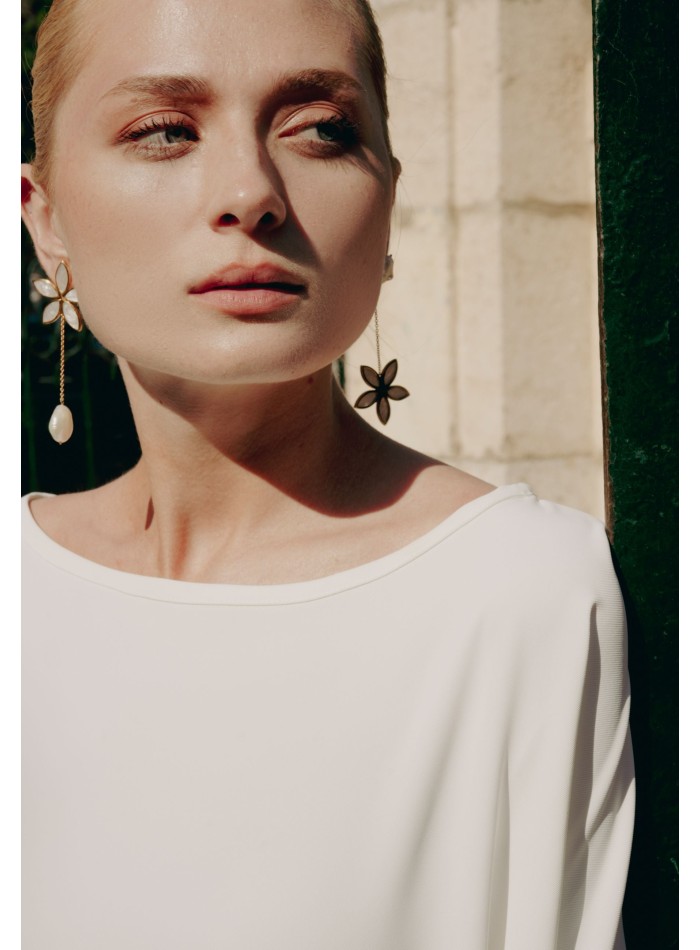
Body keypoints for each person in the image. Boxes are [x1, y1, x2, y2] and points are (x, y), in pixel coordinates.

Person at [21, 0, 634, 947]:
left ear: (388, 189)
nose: (249, 192)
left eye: (321, 131)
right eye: (163, 132)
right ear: (45, 214)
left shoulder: (523, 594)